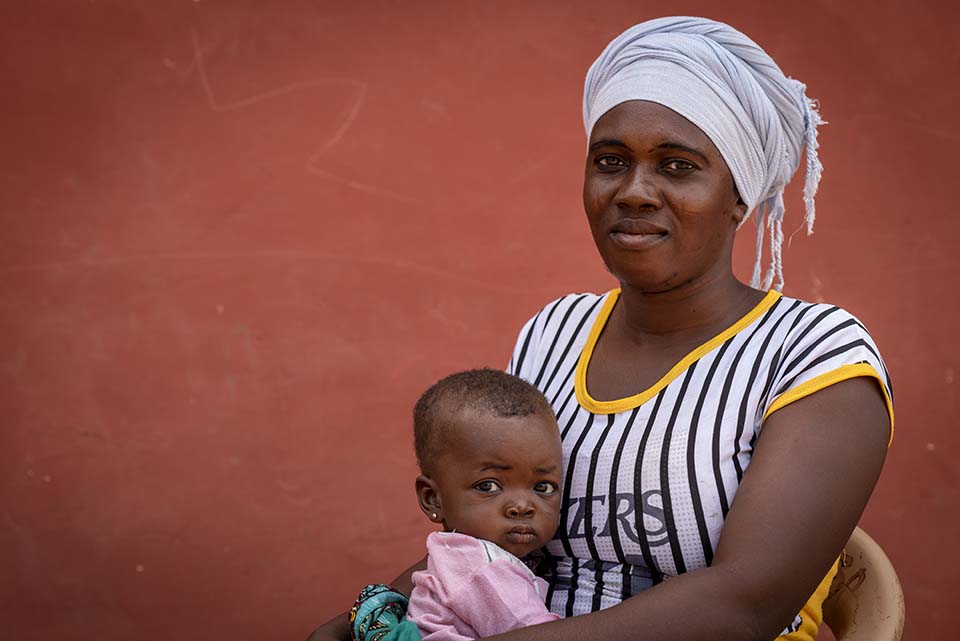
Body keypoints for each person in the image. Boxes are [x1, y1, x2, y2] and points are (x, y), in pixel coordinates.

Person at [309, 16, 893, 641]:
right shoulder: (552, 333)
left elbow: (744, 605)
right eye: (611, 161)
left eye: (677, 166)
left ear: (738, 198)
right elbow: (485, 536)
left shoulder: (813, 355)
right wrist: (358, 619)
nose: (635, 191)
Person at [349, 370, 562, 641]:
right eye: (488, 486)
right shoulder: (487, 568)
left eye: (542, 487)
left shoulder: (453, 554)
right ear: (432, 498)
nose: (522, 506)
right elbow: (539, 634)